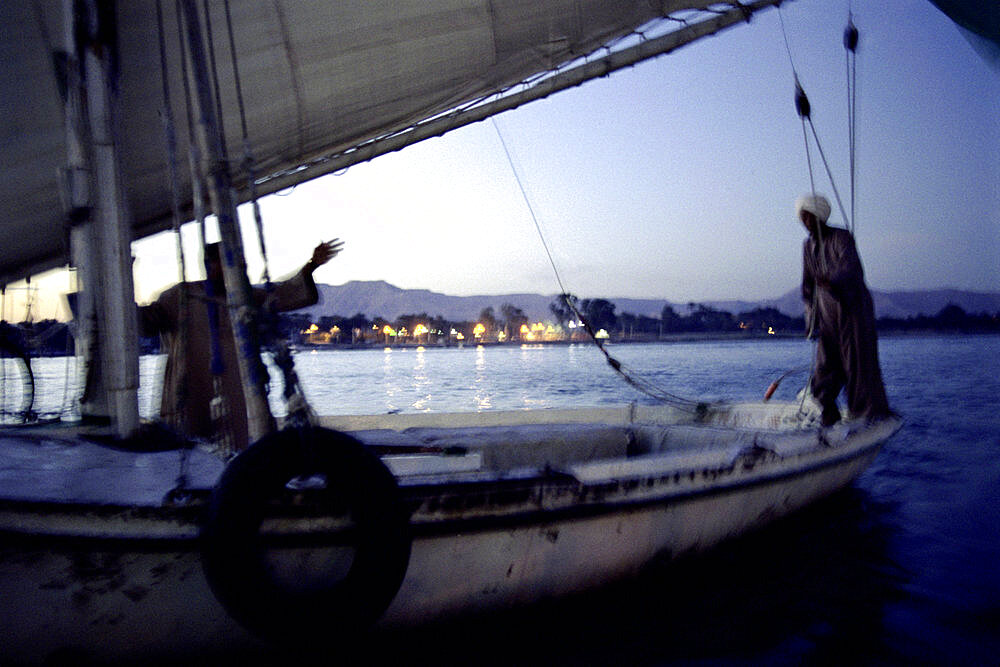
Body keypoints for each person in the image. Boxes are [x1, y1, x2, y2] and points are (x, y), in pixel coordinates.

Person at [140, 239, 342, 449]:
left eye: (240, 264)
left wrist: (312, 265)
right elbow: (149, 322)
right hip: (187, 390)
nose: (236, 268)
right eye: (229, 262)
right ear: (210, 264)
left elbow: (283, 296)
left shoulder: (243, 297)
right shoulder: (180, 297)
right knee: (185, 444)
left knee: (231, 446)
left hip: (231, 391)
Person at [797, 194, 890, 426]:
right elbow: (808, 286)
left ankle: (866, 415)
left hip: (852, 311)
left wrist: (832, 280)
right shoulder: (808, 247)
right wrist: (811, 320)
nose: (806, 222)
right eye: (803, 218)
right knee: (824, 367)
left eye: (809, 216)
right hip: (827, 316)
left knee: (857, 364)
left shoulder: (842, 237)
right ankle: (828, 414)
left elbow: (851, 269)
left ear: (819, 217)